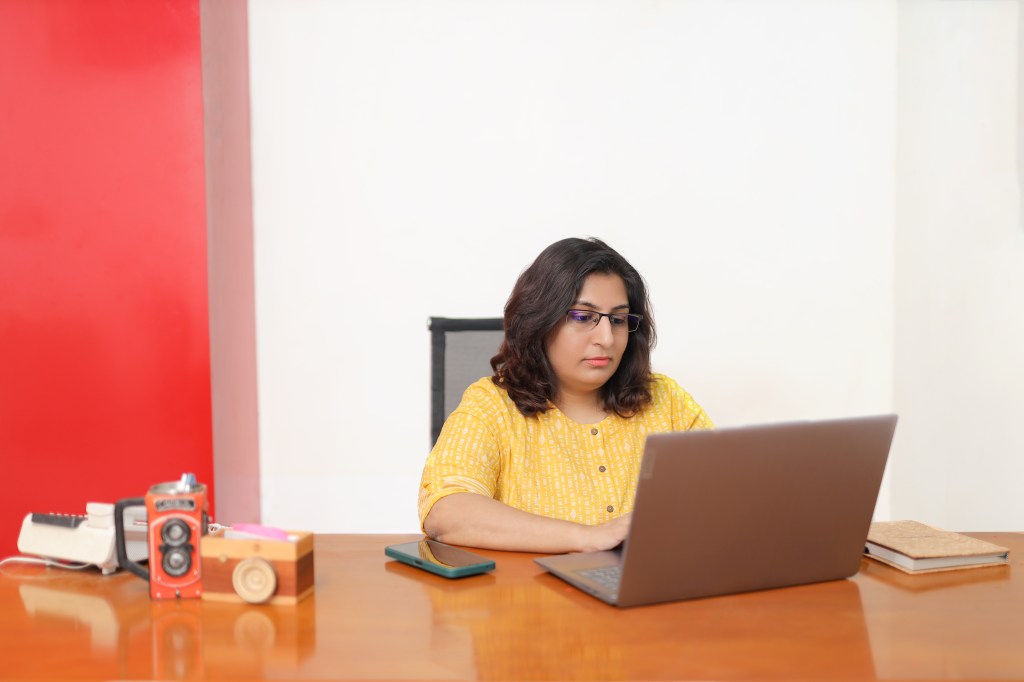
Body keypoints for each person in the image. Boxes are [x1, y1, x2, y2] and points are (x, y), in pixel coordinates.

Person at [418, 237, 712, 553]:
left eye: (618, 319)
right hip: (529, 585)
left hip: (648, 582)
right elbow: (445, 513)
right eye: (583, 317)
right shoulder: (491, 406)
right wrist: (589, 537)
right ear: (540, 321)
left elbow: (726, 492)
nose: (606, 338)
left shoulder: (665, 399)